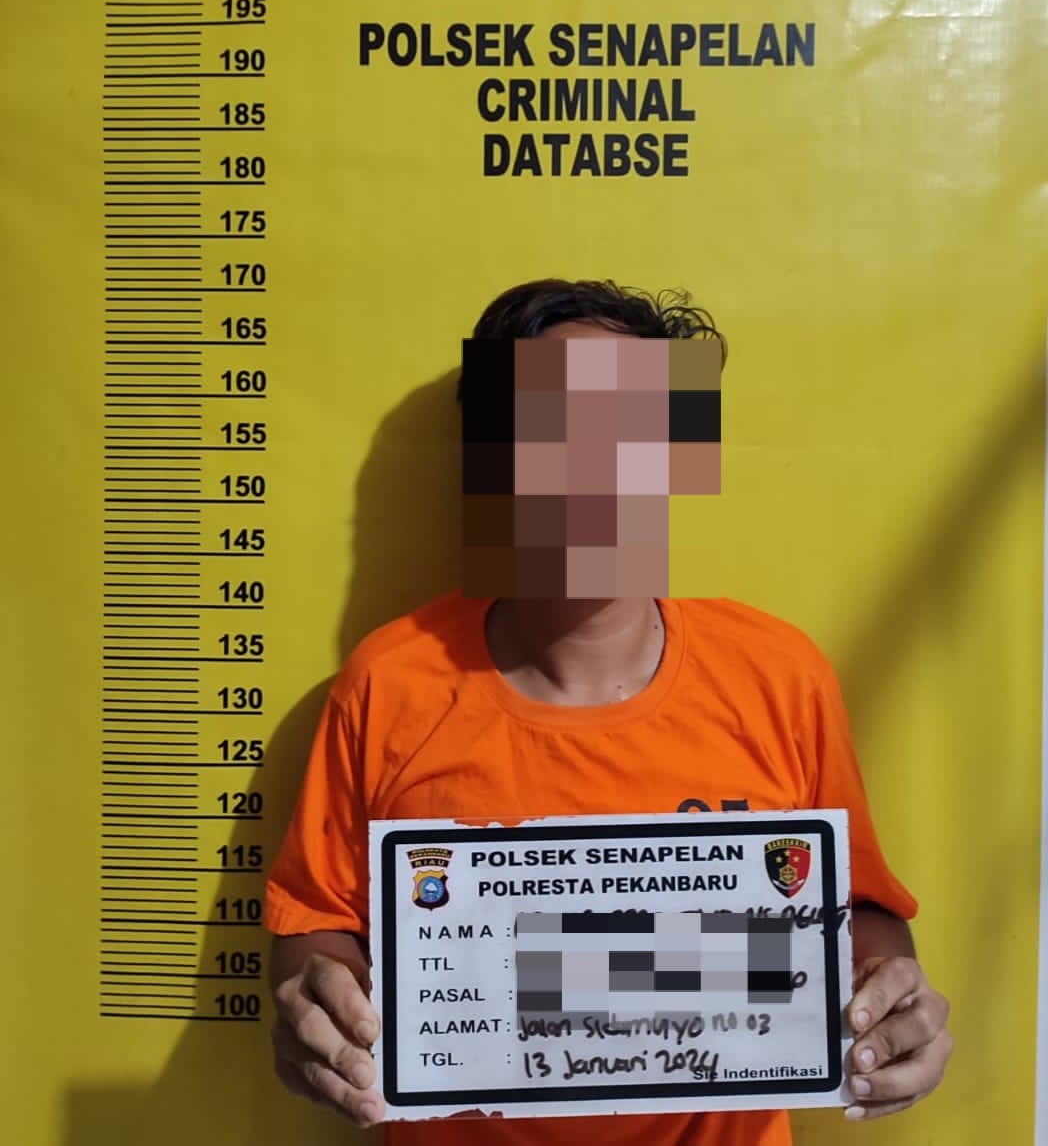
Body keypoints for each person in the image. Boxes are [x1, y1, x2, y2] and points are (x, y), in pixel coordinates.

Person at [264, 279, 951, 1144]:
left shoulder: (781, 677)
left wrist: (889, 999)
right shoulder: (387, 685)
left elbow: (860, 910)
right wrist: (318, 1007)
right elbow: (315, 919)